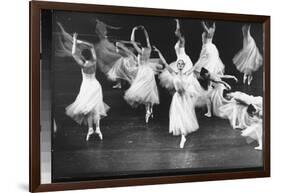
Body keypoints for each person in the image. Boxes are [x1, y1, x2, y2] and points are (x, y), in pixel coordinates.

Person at [65, 33, 109, 141]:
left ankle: (90, 129)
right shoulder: (94, 61)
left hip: (87, 87)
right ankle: (97, 129)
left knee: (89, 109)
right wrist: (81, 42)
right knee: (96, 109)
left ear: (83, 57)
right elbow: (91, 46)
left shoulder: (82, 64)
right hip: (95, 86)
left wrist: (75, 40)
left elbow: (73, 53)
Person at [155, 46, 199, 148]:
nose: (179, 65)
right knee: (178, 116)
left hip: (185, 97)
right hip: (177, 98)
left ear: (183, 66)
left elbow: (195, 65)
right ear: (177, 65)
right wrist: (158, 52)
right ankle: (183, 136)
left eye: (181, 64)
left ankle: (183, 135)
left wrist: (202, 58)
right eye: (178, 63)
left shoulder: (187, 74)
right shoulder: (173, 73)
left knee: (185, 115)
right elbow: (165, 63)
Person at [124, 25, 161, 123]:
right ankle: (150, 110)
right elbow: (148, 38)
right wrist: (145, 30)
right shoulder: (148, 48)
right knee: (149, 92)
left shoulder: (141, 51)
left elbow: (131, 40)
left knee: (145, 93)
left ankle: (148, 111)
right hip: (149, 71)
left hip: (143, 72)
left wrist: (133, 30)